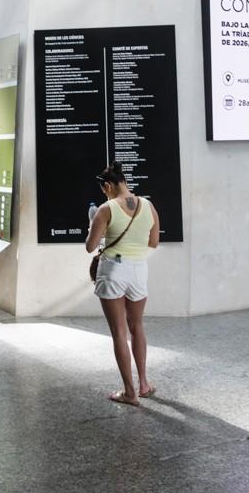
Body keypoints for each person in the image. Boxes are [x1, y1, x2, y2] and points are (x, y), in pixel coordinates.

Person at [85, 162, 160, 406]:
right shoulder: (149, 206)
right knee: (137, 326)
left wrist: (93, 225)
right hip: (139, 269)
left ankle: (130, 393)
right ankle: (144, 384)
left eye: (104, 190)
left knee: (119, 332)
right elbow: (153, 242)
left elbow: (90, 246)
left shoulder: (106, 209)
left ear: (107, 186)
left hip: (114, 270)